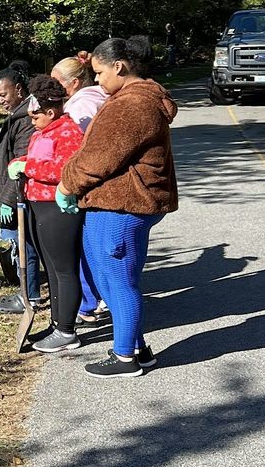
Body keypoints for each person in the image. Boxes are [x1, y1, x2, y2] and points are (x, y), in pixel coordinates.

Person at [57, 34, 178, 378]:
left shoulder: (131, 105)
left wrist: (67, 184)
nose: (96, 80)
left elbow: (98, 158)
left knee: (119, 280)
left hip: (123, 204)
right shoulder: (132, 99)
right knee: (109, 277)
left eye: (99, 73)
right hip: (118, 201)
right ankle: (137, 348)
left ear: (119, 67)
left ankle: (125, 357)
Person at [9, 74, 86, 352]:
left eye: (35, 116)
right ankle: (56, 323)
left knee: (64, 270)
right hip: (37, 207)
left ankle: (67, 331)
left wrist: (28, 168)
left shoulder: (68, 132)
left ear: (51, 112)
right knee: (50, 269)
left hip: (57, 209)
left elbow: (65, 170)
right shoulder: (44, 131)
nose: (32, 121)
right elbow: (39, 160)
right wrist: (21, 161)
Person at [51, 51, 109, 324]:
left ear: (73, 83)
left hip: (85, 182)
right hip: (97, 181)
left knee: (84, 246)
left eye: (57, 82)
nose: (53, 88)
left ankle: (89, 301)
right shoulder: (97, 96)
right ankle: (99, 297)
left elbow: (82, 147)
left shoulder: (81, 106)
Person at [0, 66, 43, 314]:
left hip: (22, 195)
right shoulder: (18, 114)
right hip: (14, 193)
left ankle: (30, 295)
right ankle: (27, 291)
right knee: (23, 245)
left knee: (27, 245)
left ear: (18, 89)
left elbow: (21, 163)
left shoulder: (27, 119)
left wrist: (8, 199)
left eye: (3, 95)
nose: (0, 101)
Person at [51, 52, 109, 133]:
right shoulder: (95, 97)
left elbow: (86, 135)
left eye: (57, 83)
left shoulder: (79, 106)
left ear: (75, 83)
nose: (53, 87)